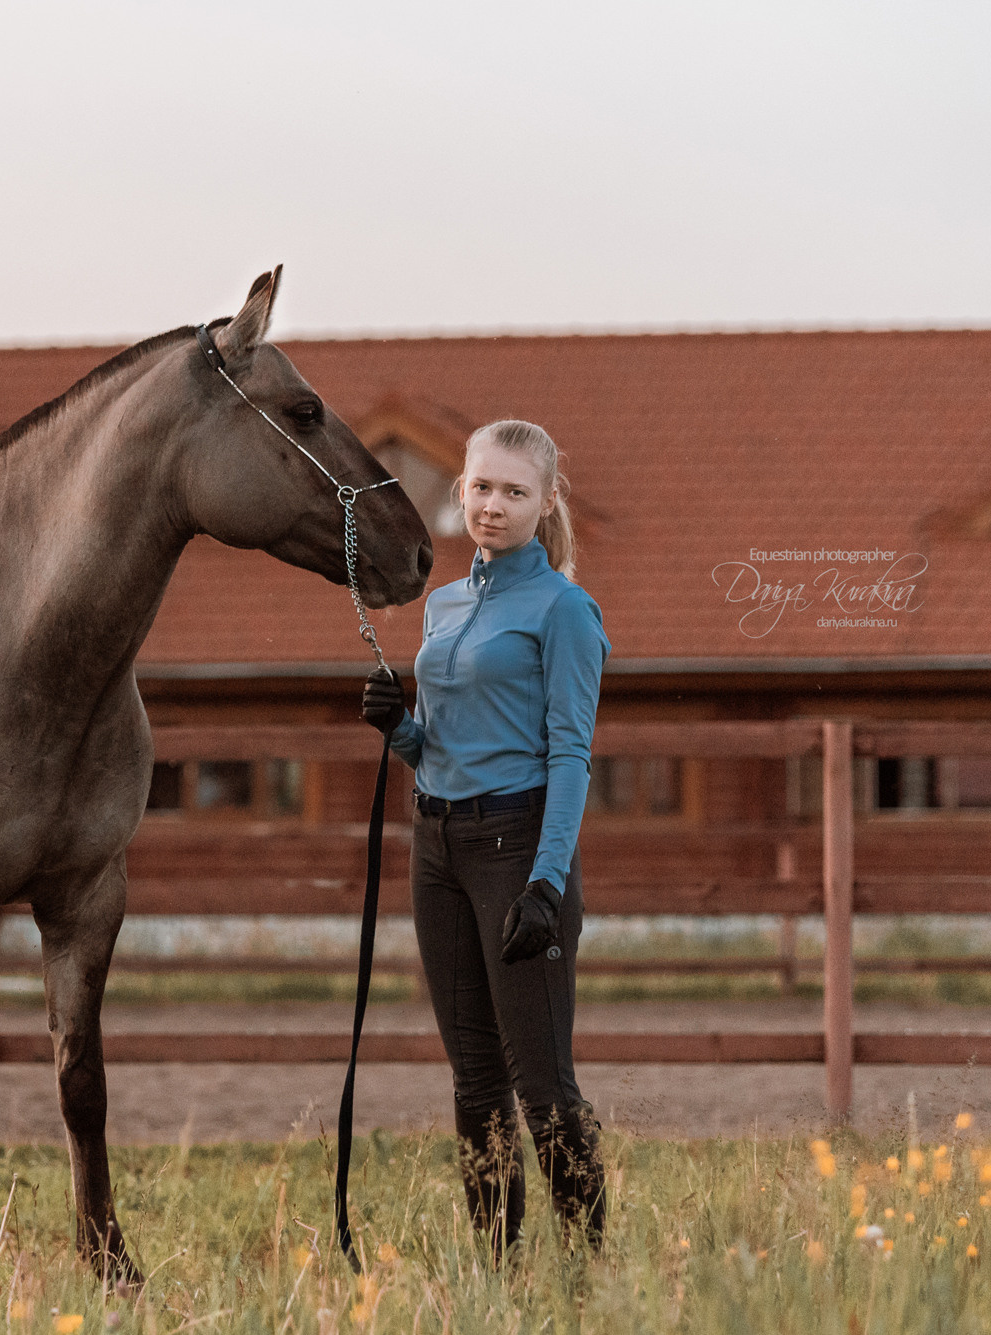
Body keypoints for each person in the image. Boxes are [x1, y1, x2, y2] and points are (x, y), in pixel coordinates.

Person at [360, 419, 612, 1261]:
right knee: (474, 1084)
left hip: (517, 848)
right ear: (459, 489)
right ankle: (496, 1276)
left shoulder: (565, 610)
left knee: (542, 1087)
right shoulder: (443, 604)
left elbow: (571, 752)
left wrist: (547, 880)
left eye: (514, 491)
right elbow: (437, 744)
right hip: (436, 849)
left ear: (544, 505)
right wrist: (398, 728)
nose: (492, 505)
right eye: (480, 486)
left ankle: (586, 1276)